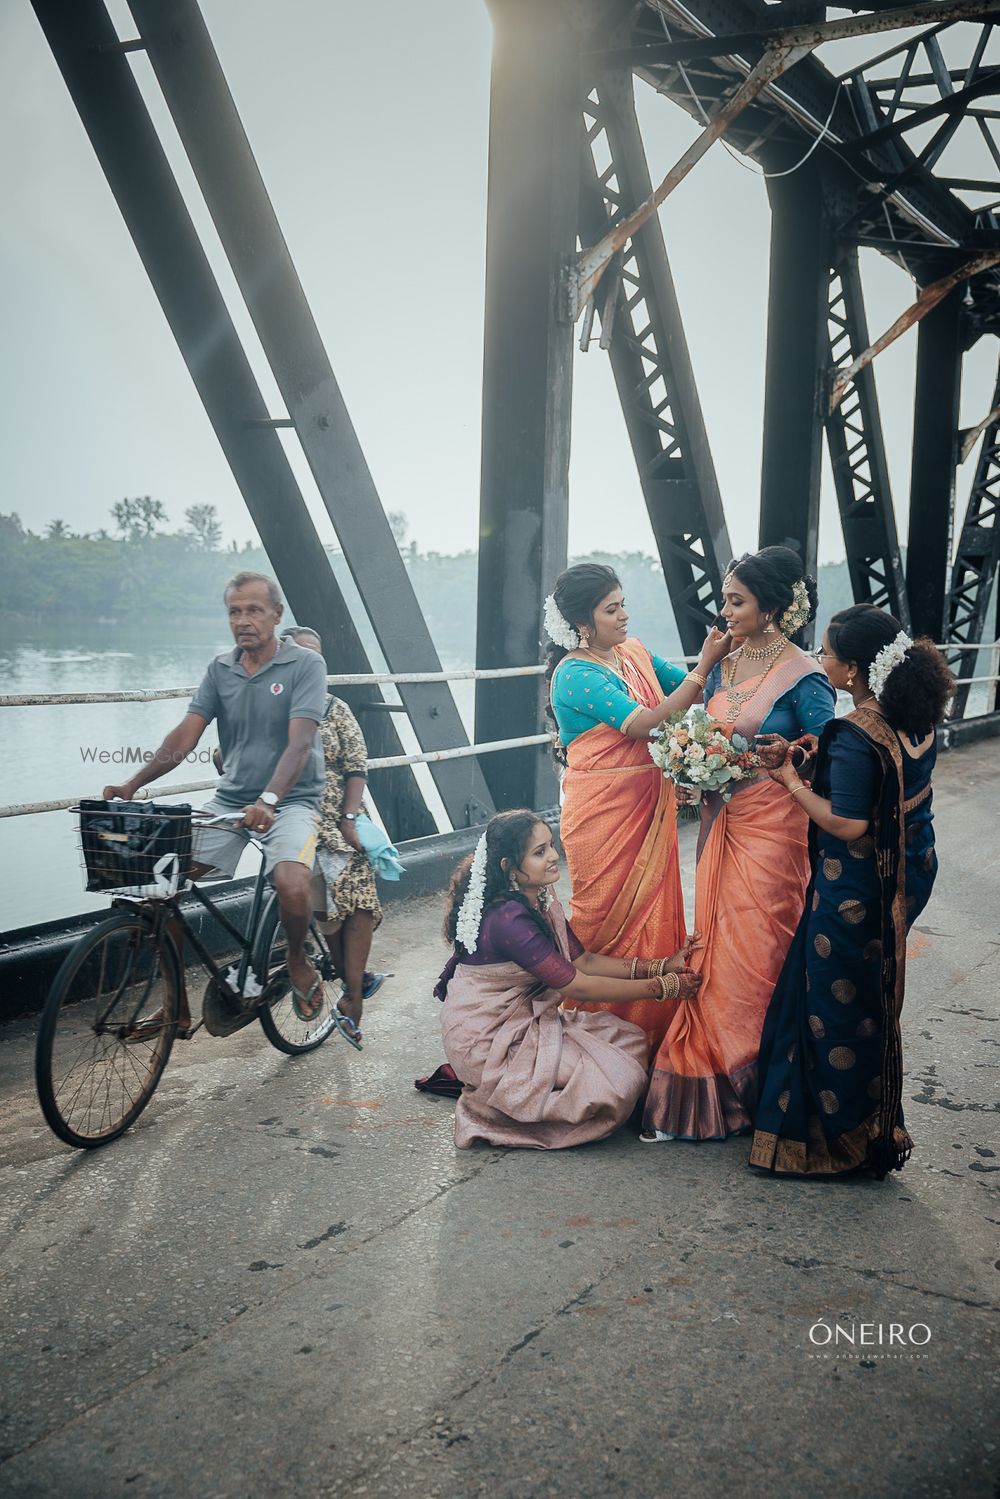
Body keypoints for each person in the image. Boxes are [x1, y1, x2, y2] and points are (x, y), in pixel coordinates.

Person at [749, 606, 953, 1178]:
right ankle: (873, 1127)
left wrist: (789, 780)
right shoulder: (913, 716)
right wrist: (821, 755)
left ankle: (834, 1143)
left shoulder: (857, 731)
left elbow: (848, 823)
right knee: (870, 997)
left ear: (855, 669)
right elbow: (887, 785)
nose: (822, 661)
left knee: (831, 1007)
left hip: (856, 886)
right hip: (908, 873)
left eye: (829, 654)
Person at [642, 546, 837, 1142]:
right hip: (721, 820)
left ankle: (757, 1079)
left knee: (758, 942)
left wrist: (780, 755)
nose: (724, 610)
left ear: (772, 608)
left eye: (736, 601)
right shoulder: (725, 663)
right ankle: (711, 1076)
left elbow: (828, 747)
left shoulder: (805, 674)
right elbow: (701, 727)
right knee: (717, 940)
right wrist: (690, 762)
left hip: (774, 827)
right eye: (726, 599)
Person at [103, 572, 328, 1028]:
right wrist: (133, 784)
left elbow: (300, 744)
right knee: (162, 885)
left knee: (291, 882)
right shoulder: (220, 669)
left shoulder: (305, 665)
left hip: (292, 802)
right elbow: (186, 736)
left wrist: (269, 798)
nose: (243, 620)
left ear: (276, 615)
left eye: (254, 610)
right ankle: (177, 1009)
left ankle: (299, 962)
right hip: (230, 802)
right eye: (234, 611)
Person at [545, 563, 731, 1050]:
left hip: (649, 806)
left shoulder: (632, 651)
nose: (624, 616)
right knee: (602, 914)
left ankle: (652, 1033)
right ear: (584, 623)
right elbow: (646, 722)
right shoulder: (575, 673)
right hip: (603, 813)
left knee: (656, 910)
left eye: (623, 603)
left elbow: (688, 691)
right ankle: (595, 1033)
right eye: (612, 609)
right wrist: (706, 664)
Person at [436, 810, 701, 1149]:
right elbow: (576, 984)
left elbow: (584, 961)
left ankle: (521, 1095)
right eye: (539, 852)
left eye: (550, 846)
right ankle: (492, 1107)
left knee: (630, 1040)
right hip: (488, 1040)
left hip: (524, 1023)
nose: (553, 857)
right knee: (619, 1082)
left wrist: (662, 966)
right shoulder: (507, 919)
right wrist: (665, 989)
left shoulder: (541, 900)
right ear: (509, 867)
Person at [284, 625, 387, 1047]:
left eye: (316, 656)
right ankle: (353, 980)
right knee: (323, 906)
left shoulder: (333, 708)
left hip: (337, 815)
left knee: (358, 890)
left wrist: (348, 817)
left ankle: (355, 997)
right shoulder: (271, 705)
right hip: (293, 816)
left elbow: (356, 767)